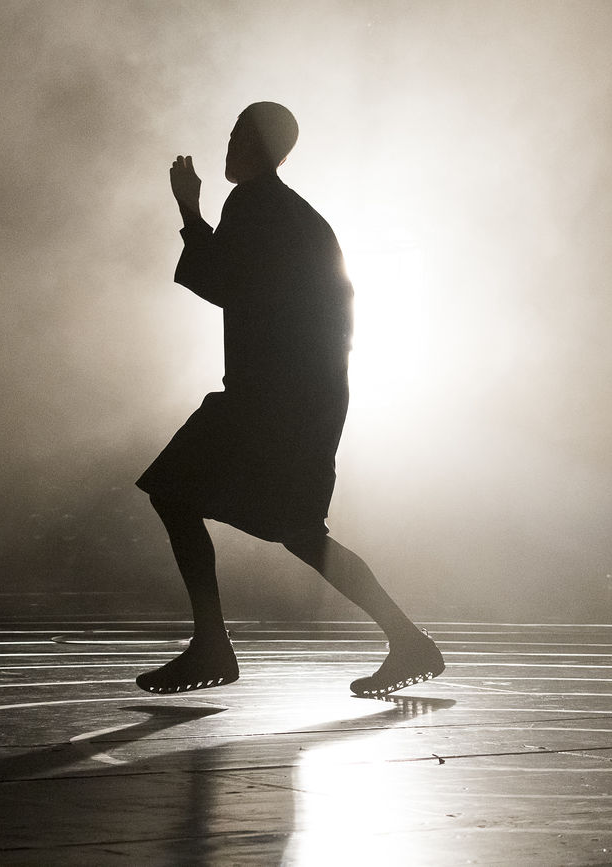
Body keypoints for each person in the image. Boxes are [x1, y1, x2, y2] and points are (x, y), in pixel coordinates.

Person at [135, 101, 444, 697]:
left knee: (177, 492)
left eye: (236, 136)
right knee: (299, 530)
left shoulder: (253, 205)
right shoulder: (294, 214)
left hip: (272, 398)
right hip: (305, 397)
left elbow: (220, 281)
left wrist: (189, 211)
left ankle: (212, 645)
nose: (227, 146)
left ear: (257, 145)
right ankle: (407, 640)